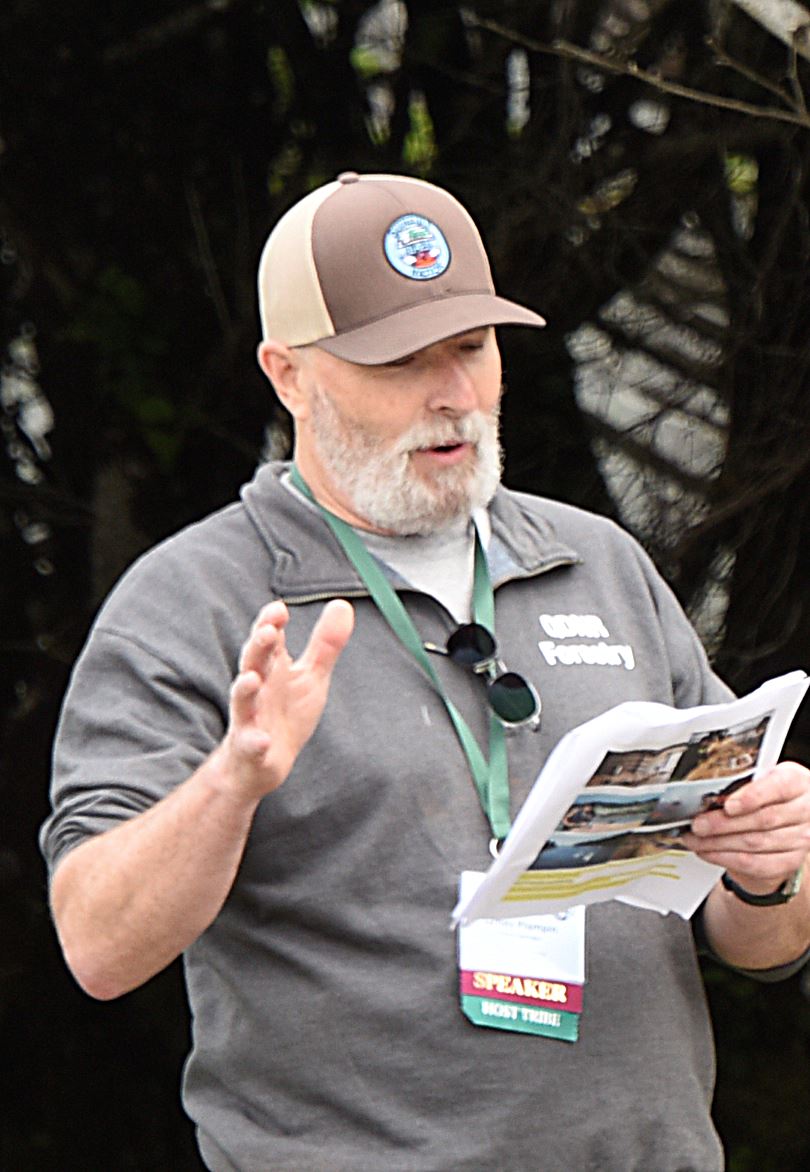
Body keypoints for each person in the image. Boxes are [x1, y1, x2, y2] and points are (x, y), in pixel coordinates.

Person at [41, 171, 810, 1172]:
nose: (451, 394)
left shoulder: (598, 560)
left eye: (472, 347)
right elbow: (99, 948)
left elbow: (762, 941)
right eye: (400, 359)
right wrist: (233, 785)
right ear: (288, 375)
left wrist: (771, 867)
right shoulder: (197, 599)